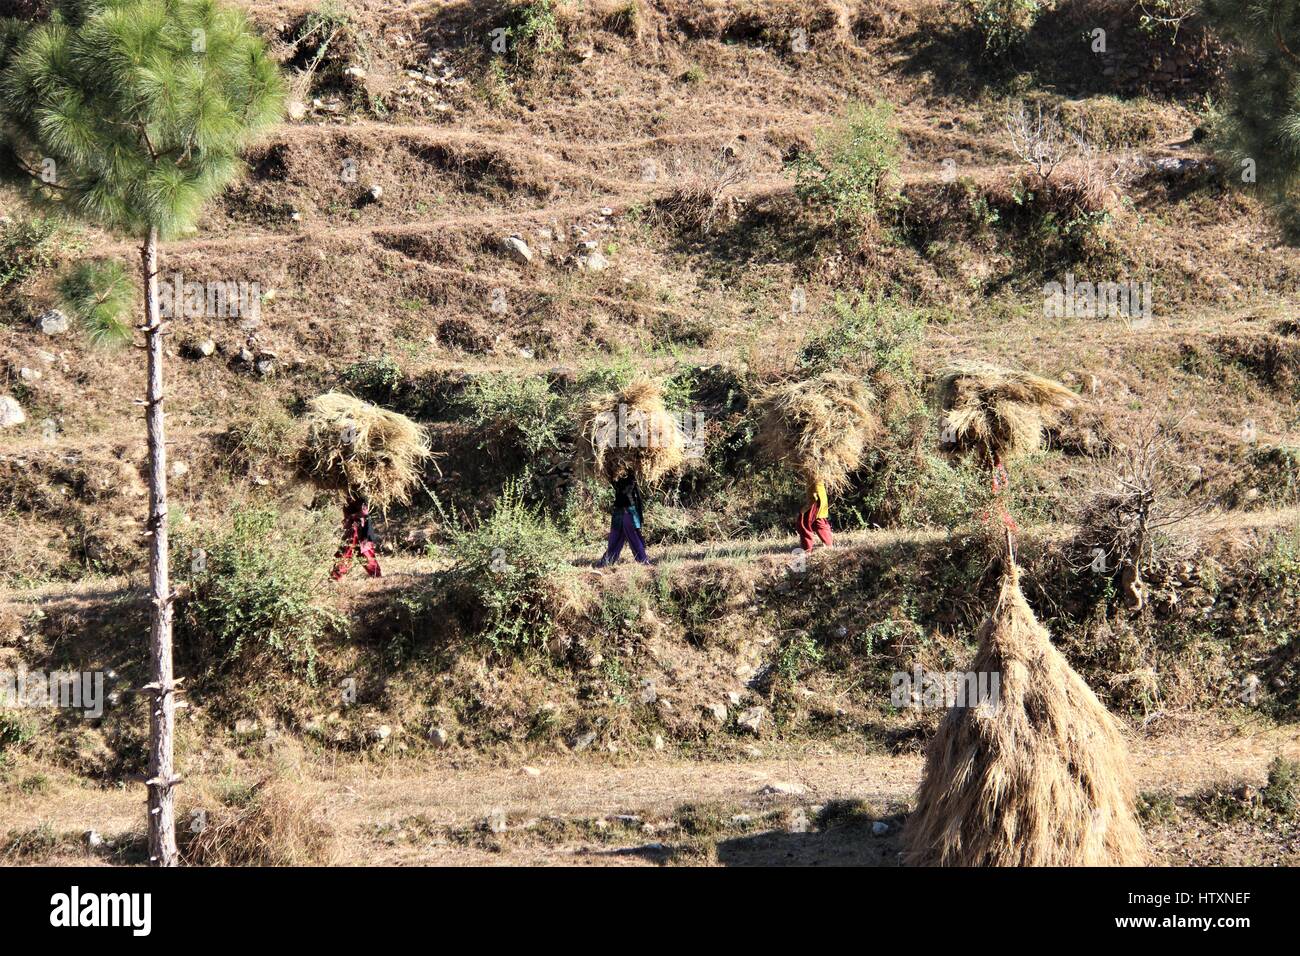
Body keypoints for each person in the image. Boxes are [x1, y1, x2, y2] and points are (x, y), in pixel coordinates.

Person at [596, 472, 652, 567]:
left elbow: (627, 492)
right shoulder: (616, 478)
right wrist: (613, 476)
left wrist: (616, 479)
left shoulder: (630, 478)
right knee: (615, 537)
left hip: (628, 512)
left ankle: (643, 560)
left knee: (634, 537)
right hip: (618, 511)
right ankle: (608, 561)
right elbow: (617, 488)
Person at [331, 495, 381, 580]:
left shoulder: (359, 499)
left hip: (360, 531)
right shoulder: (347, 500)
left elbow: (364, 512)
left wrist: (351, 517)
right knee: (346, 552)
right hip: (351, 531)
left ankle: (376, 576)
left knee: (365, 553)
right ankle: (336, 575)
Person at [797, 475, 833, 552]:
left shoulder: (813, 470)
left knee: (803, 523)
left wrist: (814, 498)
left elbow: (816, 481)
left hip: (816, 499)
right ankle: (829, 545)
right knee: (819, 522)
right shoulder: (814, 470)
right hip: (819, 498)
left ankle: (807, 550)